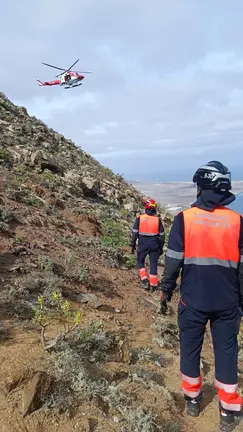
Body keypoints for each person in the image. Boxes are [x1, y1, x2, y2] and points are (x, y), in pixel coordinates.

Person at [159, 161, 243, 431]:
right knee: (227, 352)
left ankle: (193, 401)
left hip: (192, 301)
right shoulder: (237, 221)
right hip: (228, 302)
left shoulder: (185, 219)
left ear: (201, 186)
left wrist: (166, 289)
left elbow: (173, 261)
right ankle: (229, 412)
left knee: (190, 349)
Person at [130, 198, 165, 291]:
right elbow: (162, 236)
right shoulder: (158, 220)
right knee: (153, 263)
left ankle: (144, 280)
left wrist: (132, 244)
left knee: (140, 261)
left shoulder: (140, 218)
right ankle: (153, 284)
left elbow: (134, 233)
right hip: (155, 245)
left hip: (143, 245)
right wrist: (160, 247)